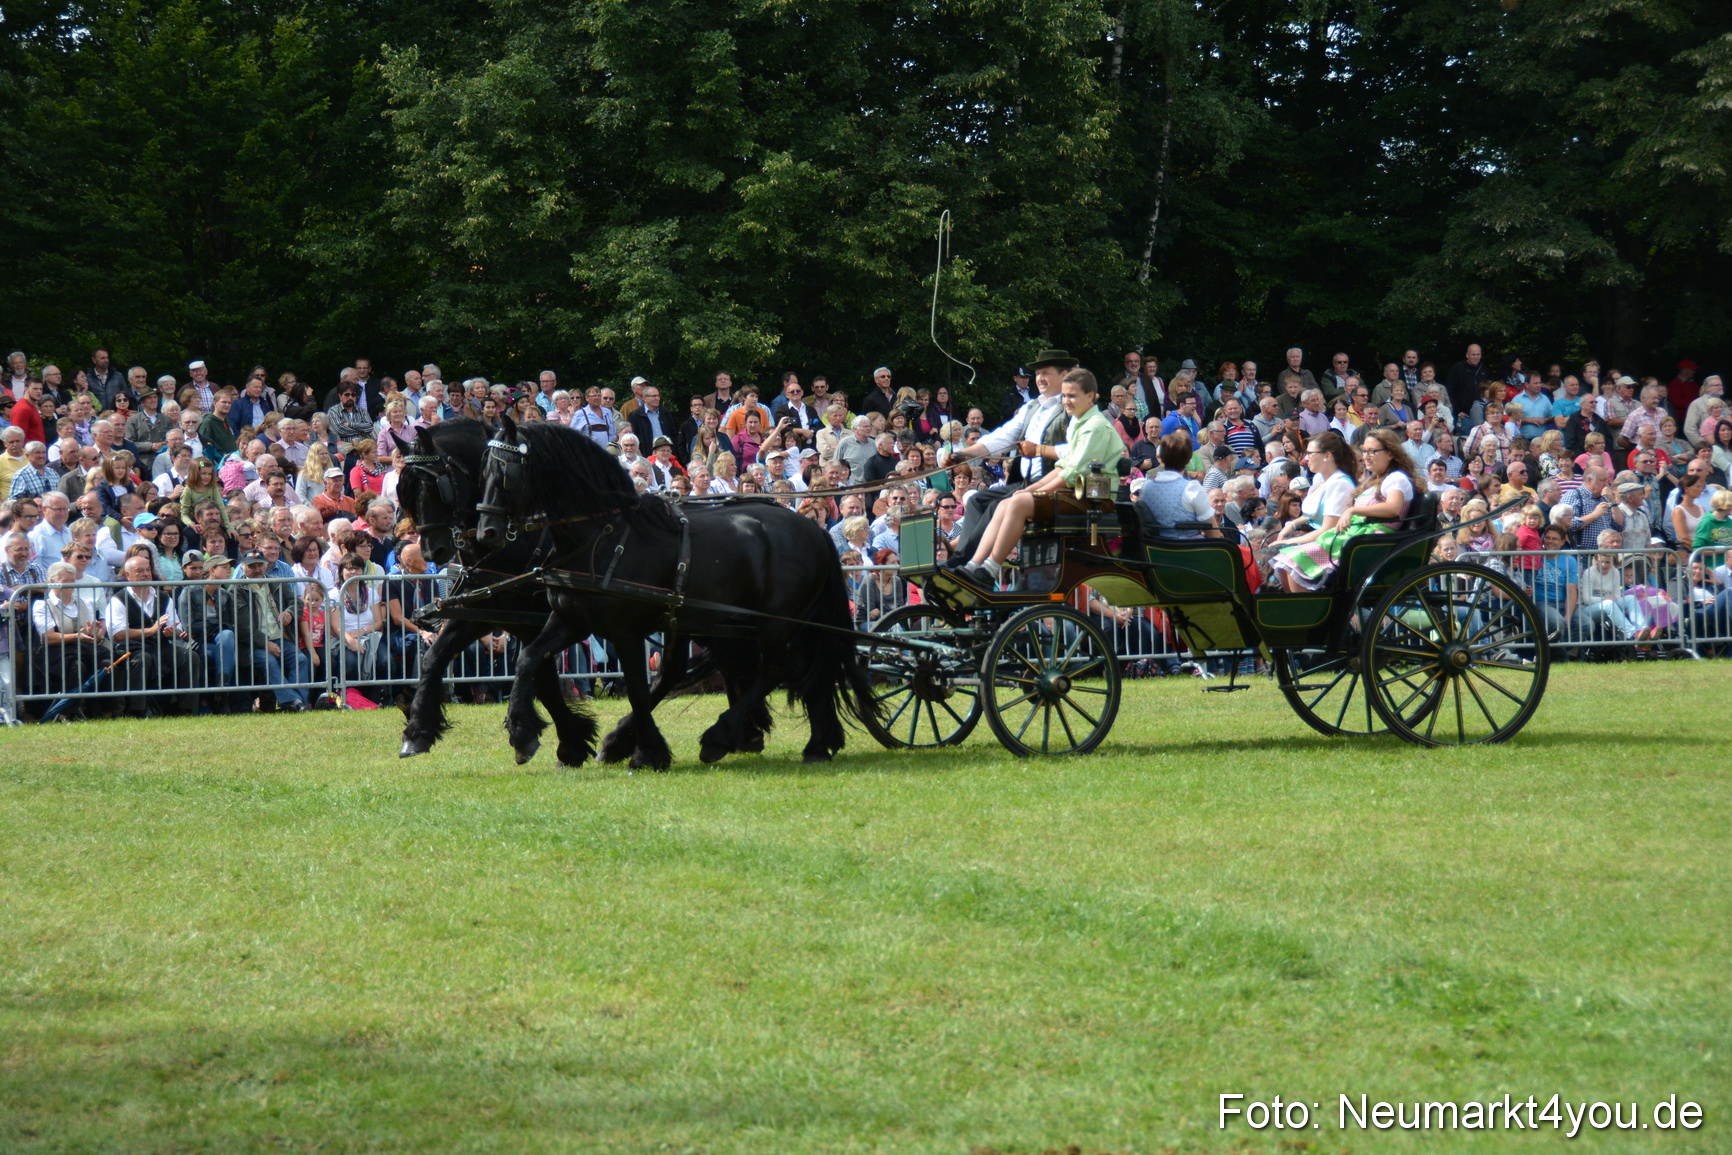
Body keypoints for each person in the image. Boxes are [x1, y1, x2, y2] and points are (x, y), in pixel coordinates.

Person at [958, 367, 1119, 587]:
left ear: (1090, 396)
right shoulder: (1079, 424)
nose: (1066, 401)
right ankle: (973, 566)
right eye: (1064, 396)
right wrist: (1029, 490)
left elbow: (1073, 474)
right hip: (1075, 493)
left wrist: (1037, 492)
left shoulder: (1095, 427)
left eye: (1072, 396)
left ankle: (991, 567)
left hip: (1092, 501)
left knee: (1019, 502)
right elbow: (1061, 467)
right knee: (1009, 501)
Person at [1270, 428, 1416, 592]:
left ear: (1390, 454)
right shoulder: (1372, 481)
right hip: (1357, 533)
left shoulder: (1396, 478)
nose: (1366, 457)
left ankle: (1308, 612)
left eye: (1373, 452)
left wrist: (1352, 511)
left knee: (1295, 561)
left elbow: (1393, 508)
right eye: (1365, 451)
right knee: (1286, 562)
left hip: (1373, 538)